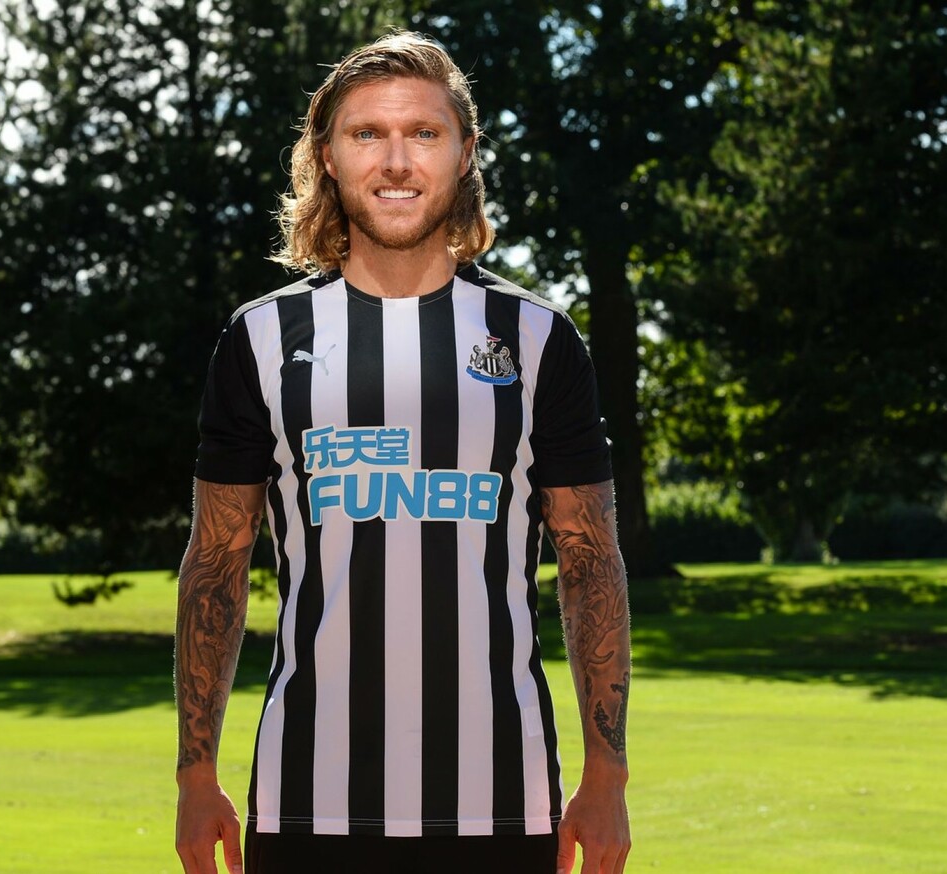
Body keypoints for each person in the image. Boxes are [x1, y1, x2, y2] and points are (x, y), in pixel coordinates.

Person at [174, 31, 631, 874]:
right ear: (327, 156)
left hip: (502, 801)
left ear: (465, 152)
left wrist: (607, 773)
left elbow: (589, 557)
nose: (395, 161)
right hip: (307, 800)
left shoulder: (537, 337)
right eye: (366, 134)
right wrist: (195, 772)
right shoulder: (262, 338)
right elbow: (217, 560)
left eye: (423, 133)